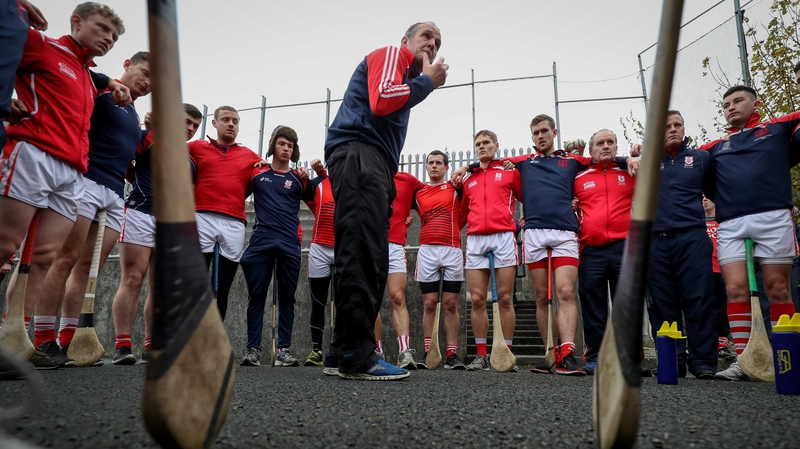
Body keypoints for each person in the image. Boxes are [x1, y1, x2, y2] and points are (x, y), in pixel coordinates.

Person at [0, 2, 129, 368]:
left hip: (73, 172)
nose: (109, 38)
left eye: (115, 36)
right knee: (5, 246)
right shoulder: (42, 45)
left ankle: (15, 339)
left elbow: (93, 80)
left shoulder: (90, 77)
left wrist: (108, 82)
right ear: (76, 21)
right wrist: (3, 102)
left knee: (43, 259)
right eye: (102, 28)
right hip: (32, 154)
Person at [323, 21, 448, 380]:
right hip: (361, 155)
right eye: (426, 36)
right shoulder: (393, 55)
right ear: (405, 40)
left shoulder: (408, 76)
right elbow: (381, 100)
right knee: (363, 254)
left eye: (437, 42)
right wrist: (428, 82)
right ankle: (356, 356)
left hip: (371, 161)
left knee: (366, 257)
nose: (432, 44)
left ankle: (341, 350)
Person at [27, 51, 150, 367]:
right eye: (145, 72)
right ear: (127, 65)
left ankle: (69, 339)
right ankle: (42, 339)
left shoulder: (133, 113)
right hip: (84, 181)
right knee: (63, 259)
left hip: (113, 194)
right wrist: (106, 82)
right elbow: (77, 82)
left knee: (86, 268)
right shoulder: (102, 90)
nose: (148, 82)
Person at [700, 86, 800, 380]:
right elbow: (682, 158)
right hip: (730, 223)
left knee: (778, 289)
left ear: (756, 103)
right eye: (726, 104)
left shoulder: (778, 128)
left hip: (774, 218)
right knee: (734, 290)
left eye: (738, 101)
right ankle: (744, 361)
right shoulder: (715, 146)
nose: (731, 107)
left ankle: (788, 357)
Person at [110, 103, 203, 365]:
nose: (190, 129)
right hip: (140, 212)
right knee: (132, 279)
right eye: (186, 121)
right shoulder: (148, 137)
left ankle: (152, 346)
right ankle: (122, 345)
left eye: (195, 126)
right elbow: (127, 166)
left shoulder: (190, 161)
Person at [635, 110, 717, 379]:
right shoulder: (644, 163)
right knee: (662, 304)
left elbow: (716, 191)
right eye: (667, 125)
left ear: (684, 128)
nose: (673, 129)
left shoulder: (702, 159)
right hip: (656, 242)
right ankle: (674, 360)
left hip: (692, 238)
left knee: (699, 300)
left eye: (677, 124)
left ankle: (703, 362)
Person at [239, 126, 311, 367]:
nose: (286, 149)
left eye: (290, 146)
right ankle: (253, 350)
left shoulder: (299, 179)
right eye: (282, 144)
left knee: (288, 298)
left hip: (290, 243)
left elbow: (322, 201)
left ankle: (284, 350)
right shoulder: (257, 174)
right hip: (261, 241)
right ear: (273, 145)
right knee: (257, 296)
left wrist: (312, 175)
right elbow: (235, 191)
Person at [187, 106, 264, 321]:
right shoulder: (196, 147)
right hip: (202, 217)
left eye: (235, 121)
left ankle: (215, 343)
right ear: (214, 123)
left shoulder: (249, 154)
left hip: (234, 223)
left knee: (222, 288)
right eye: (226, 119)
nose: (231, 124)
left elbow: (267, 172)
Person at [573, 129, 635, 375]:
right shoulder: (578, 178)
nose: (606, 146)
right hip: (591, 251)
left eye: (611, 142)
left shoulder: (630, 172)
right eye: (600, 143)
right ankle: (596, 357)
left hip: (624, 249)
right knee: (594, 307)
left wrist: (635, 154)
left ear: (617, 147)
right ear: (591, 151)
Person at [459, 130, 521, 371]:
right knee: (476, 299)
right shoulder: (469, 179)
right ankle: (482, 354)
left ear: (496, 145)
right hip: (475, 238)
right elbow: (463, 213)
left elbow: (527, 197)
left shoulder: (509, 171)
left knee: (505, 298)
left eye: (486, 143)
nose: (482, 147)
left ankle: (506, 352)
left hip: (503, 236)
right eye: (478, 144)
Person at [413, 150, 466, 369]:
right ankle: (429, 350)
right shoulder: (418, 192)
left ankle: (452, 354)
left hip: (452, 249)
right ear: (426, 167)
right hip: (427, 251)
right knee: (429, 304)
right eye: (430, 163)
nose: (434, 166)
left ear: (446, 167)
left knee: (451, 304)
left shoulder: (455, 187)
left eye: (438, 163)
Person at [382, 171, 425, 369]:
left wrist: (409, 211)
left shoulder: (407, 179)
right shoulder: (367, 173)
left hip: (395, 244)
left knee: (397, 297)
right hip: (369, 244)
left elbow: (429, 194)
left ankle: (404, 351)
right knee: (372, 299)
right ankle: (376, 352)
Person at [303, 159, 336, 367]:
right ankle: (316, 350)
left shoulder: (352, 182)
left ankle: (339, 348)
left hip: (345, 249)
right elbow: (302, 188)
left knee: (344, 303)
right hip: (320, 248)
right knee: (318, 302)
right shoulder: (317, 183)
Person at [704, 196, 736, 361]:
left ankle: (722, 344)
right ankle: (704, 343)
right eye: (701, 197)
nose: (704, 200)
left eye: (708, 197)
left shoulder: (723, 222)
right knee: (703, 308)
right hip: (703, 271)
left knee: (722, 308)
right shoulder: (697, 223)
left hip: (722, 270)